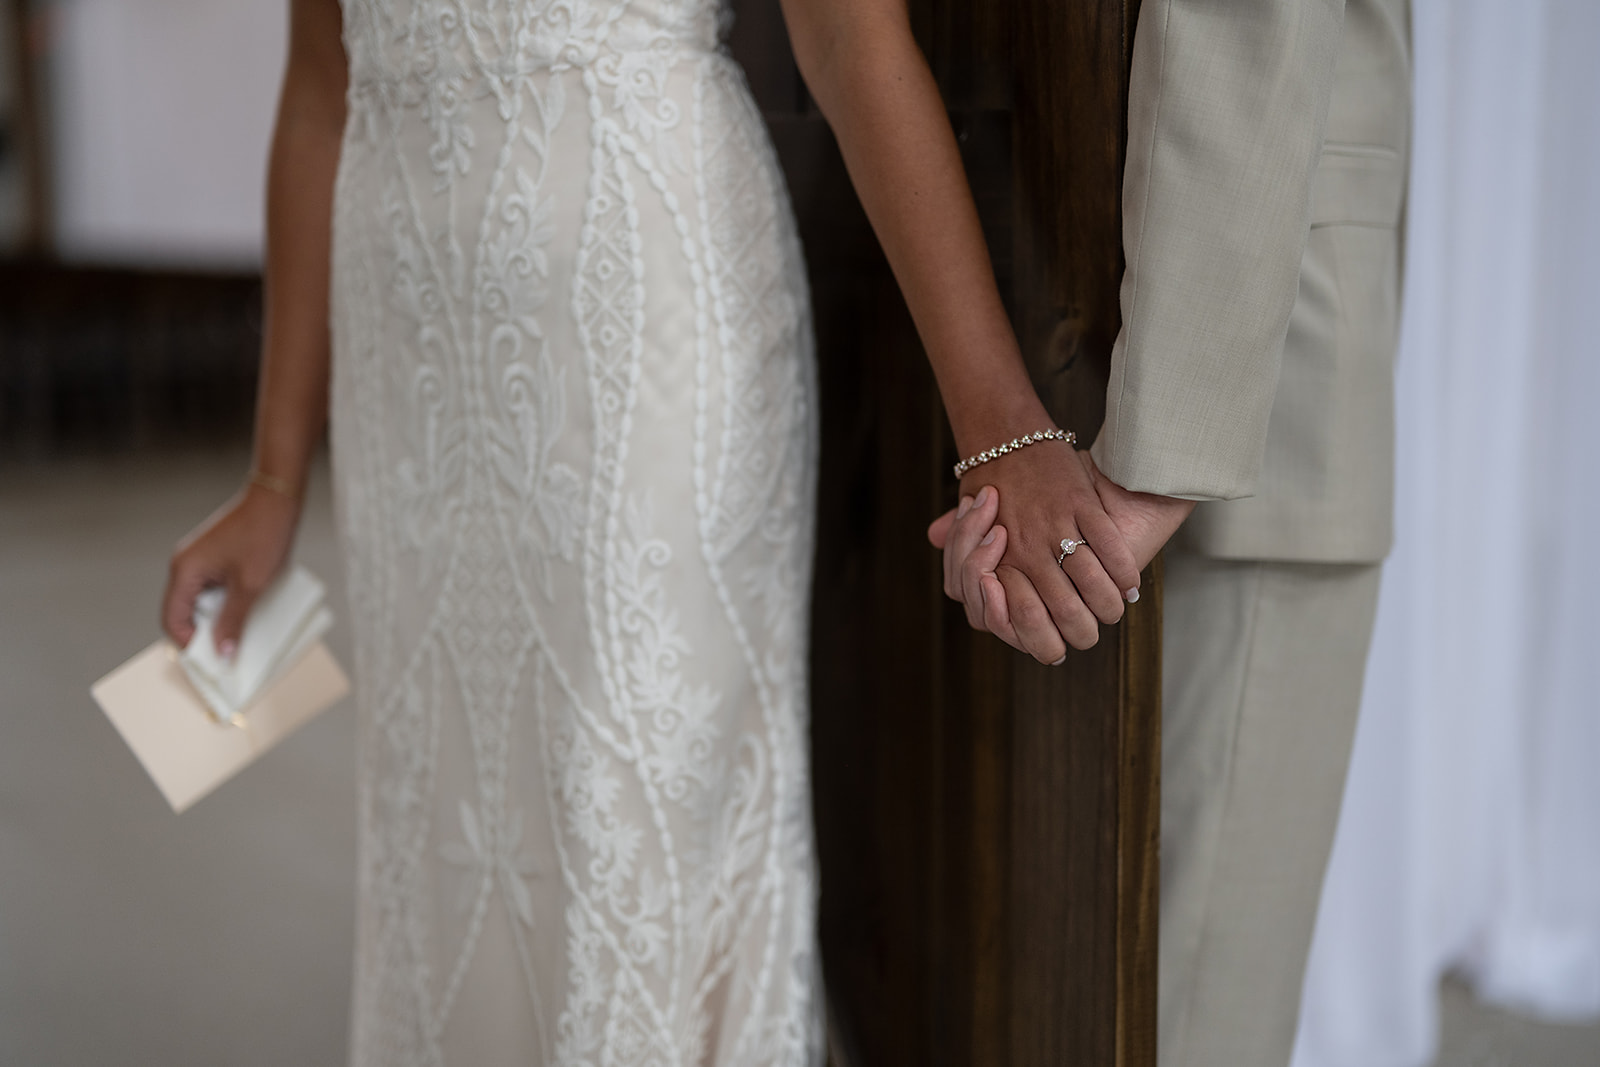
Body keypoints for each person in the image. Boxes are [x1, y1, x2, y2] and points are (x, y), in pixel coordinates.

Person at [160, 0, 1145, 1062]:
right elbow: (321, 93)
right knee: (448, 828)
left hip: (637, 307)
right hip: (409, 366)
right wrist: (272, 478)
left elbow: (849, 36)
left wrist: (996, 424)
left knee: (633, 814)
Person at [933, 1, 1412, 1065]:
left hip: (1150, 398)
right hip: (1178, 381)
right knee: (1187, 1015)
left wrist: (1136, 475)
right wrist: (1153, 465)